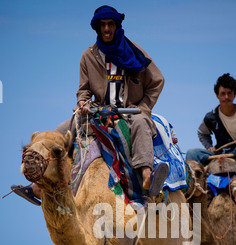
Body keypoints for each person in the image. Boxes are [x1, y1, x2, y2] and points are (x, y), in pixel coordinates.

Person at [11, 5, 167, 205]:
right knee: (61, 130)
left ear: (117, 26)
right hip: (98, 112)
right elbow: (83, 89)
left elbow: (158, 80)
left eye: (111, 24)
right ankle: (39, 185)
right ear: (97, 28)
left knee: (141, 124)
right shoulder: (88, 56)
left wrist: (143, 108)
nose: (107, 29)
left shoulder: (134, 52)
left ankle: (147, 176)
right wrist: (83, 102)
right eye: (103, 25)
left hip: (130, 113)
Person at [186, 73, 236, 208]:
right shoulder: (212, 117)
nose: (226, 97)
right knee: (192, 153)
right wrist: (209, 146)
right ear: (217, 95)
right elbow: (202, 133)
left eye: (229, 93)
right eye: (223, 94)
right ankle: (191, 186)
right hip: (219, 151)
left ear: (234, 95)